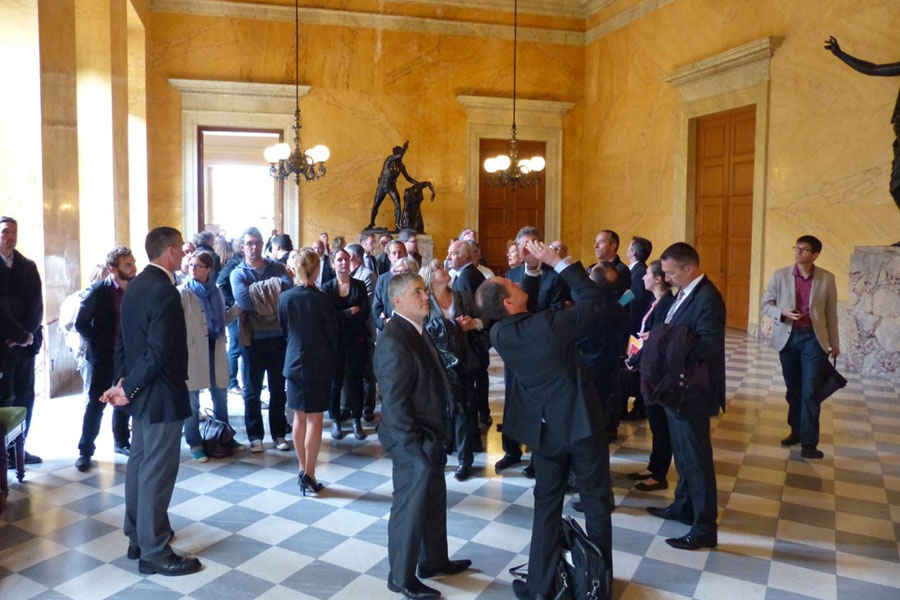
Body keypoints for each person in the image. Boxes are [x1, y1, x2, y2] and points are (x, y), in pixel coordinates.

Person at [476, 240, 612, 600]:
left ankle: (541, 585)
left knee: (546, 505)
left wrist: (533, 270)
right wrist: (559, 261)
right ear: (508, 302)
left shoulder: (499, 333)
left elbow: (525, 309)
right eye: (515, 286)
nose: (520, 284)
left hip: (546, 431)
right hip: (581, 426)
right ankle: (598, 587)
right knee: (596, 501)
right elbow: (595, 301)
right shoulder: (550, 325)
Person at [101, 226, 201, 577]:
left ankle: (137, 536)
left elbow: (123, 344)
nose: (183, 255)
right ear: (170, 252)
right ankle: (155, 550)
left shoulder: (136, 286)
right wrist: (129, 387)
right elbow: (159, 352)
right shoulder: (164, 291)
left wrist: (123, 382)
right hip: (159, 395)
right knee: (157, 472)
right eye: (181, 250)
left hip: (142, 394)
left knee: (141, 466)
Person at [374, 272, 472, 600]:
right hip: (410, 440)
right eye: (417, 292)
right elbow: (395, 401)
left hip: (430, 434)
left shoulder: (416, 329)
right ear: (397, 300)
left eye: (424, 291)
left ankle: (433, 561)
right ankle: (400, 577)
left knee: (432, 501)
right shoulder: (394, 338)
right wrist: (413, 446)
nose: (425, 296)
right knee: (410, 508)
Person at [646, 242, 725, 551]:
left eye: (670, 272)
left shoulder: (708, 298)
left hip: (693, 391)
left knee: (697, 459)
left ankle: (705, 527)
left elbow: (708, 345)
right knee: (682, 452)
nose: (665, 278)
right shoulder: (685, 293)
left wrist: (664, 342)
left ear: (689, 269)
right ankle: (683, 506)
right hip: (677, 388)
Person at [761, 235, 839, 459]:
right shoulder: (780, 275)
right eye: (797, 248)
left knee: (811, 391)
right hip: (788, 338)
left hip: (813, 340)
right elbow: (766, 304)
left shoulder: (826, 278)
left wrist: (835, 343)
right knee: (793, 390)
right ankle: (795, 430)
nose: (798, 252)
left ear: (815, 255)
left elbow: (830, 313)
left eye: (804, 250)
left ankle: (809, 443)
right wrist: (782, 312)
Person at [498, 227, 569, 473]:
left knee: (538, 404)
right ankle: (511, 450)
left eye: (535, 243)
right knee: (512, 398)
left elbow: (557, 310)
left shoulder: (554, 276)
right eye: (525, 245)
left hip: (542, 349)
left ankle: (538, 458)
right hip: (517, 348)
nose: (530, 249)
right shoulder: (512, 273)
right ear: (518, 249)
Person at [279, 248, 338, 494]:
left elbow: (284, 329)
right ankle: (310, 474)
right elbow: (331, 334)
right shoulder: (322, 299)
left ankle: (302, 469)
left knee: (299, 418)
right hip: (318, 363)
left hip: (293, 362)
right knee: (315, 419)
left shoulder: (285, 298)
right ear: (316, 270)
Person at [420, 259, 484, 481]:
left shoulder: (462, 297)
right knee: (440, 410)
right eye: (438, 268)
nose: (444, 269)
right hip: (436, 365)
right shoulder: (425, 301)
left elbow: (481, 318)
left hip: (464, 361)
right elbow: (420, 330)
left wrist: (472, 322)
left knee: (464, 411)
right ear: (429, 276)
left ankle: (465, 460)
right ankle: (441, 453)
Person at [230, 227, 293, 452]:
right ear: (242, 247)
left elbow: (287, 290)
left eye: (257, 242)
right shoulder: (238, 273)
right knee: (251, 390)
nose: (253, 247)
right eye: (249, 243)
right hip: (252, 339)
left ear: (263, 244)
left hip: (278, 337)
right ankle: (255, 435)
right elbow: (245, 302)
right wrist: (271, 293)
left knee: (278, 389)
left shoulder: (276, 267)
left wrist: (257, 293)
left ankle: (278, 434)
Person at [74, 246, 137, 471]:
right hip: (102, 356)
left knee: (123, 398)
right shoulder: (98, 291)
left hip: (126, 356)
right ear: (113, 268)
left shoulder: (136, 289)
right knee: (96, 402)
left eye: (133, 263)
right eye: (127, 265)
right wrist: (98, 343)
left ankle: (121, 441)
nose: (133, 268)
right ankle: (85, 450)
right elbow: (80, 323)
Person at [178, 251, 242, 462]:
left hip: (215, 347)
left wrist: (238, 308)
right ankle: (195, 442)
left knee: (220, 396)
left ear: (209, 269)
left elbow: (221, 320)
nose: (193, 269)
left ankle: (224, 436)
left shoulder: (216, 292)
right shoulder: (184, 292)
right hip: (193, 351)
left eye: (198, 266)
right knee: (192, 401)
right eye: (191, 265)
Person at [623, 260, 675, 491]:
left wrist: (643, 346)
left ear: (657, 279)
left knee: (660, 424)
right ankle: (654, 467)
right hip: (648, 366)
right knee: (655, 423)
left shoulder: (667, 303)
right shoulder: (656, 301)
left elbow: (661, 336)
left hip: (657, 369)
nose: (642, 277)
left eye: (646, 274)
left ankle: (659, 473)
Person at [0, 216, 44, 468]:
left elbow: (36, 305)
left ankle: (19, 447)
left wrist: (27, 334)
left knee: (25, 396)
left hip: (25, 345)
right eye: (5, 232)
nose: (10, 237)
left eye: (14, 232)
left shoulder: (27, 266)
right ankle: (1, 452)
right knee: (4, 397)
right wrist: (16, 335)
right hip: (3, 344)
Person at [322, 248, 371, 440]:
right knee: (335, 382)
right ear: (333, 263)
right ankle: (335, 420)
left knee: (356, 380)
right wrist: (349, 312)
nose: (344, 262)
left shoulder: (359, 286)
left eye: (346, 259)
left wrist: (341, 315)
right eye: (340, 260)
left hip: (356, 340)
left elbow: (365, 313)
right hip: (334, 341)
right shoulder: (327, 287)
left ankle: (357, 419)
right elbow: (327, 316)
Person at [621, 236, 654, 421]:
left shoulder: (638, 273)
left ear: (633, 252)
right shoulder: (636, 271)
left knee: (636, 369)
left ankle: (640, 406)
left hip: (634, 329)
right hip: (634, 327)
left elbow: (633, 302)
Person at [347, 243, 378, 422]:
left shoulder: (367, 275)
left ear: (352, 257)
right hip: (351, 331)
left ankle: (368, 407)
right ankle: (351, 406)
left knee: (367, 372)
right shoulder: (349, 276)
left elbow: (364, 304)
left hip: (365, 328)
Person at [217, 239, 244, 395]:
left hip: (239, 311)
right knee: (235, 347)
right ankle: (232, 382)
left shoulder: (237, 262)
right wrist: (232, 303)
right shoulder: (234, 264)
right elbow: (221, 282)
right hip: (236, 311)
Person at [373, 241, 410, 334]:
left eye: (400, 252)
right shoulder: (382, 279)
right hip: (388, 328)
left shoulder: (413, 277)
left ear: (406, 254)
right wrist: (385, 321)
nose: (397, 256)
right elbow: (376, 307)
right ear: (389, 256)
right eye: (394, 253)